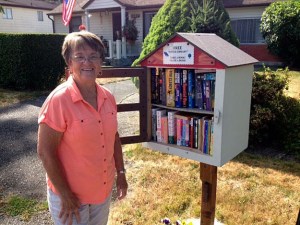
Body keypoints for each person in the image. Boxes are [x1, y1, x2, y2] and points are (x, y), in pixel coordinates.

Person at [37, 31, 128, 225]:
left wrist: (121, 173)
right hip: (71, 199)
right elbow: (45, 152)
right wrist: (65, 195)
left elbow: (114, 138)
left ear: (101, 62)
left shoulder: (108, 97)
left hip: (101, 194)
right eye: (79, 57)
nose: (87, 62)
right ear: (69, 63)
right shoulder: (58, 100)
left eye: (93, 56)